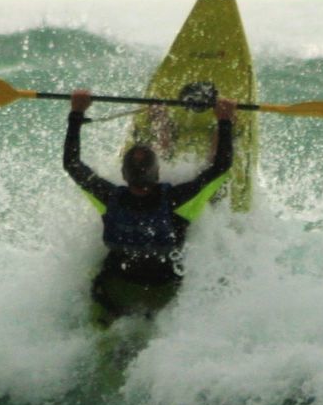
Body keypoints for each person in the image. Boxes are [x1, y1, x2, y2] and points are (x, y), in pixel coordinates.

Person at [64, 88, 236, 325]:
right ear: (159, 174)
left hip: (112, 291)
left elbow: (72, 164)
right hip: (165, 293)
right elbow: (220, 166)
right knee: (208, 182)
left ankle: (160, 120)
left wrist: (76, 113)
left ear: (123, 175)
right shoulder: (178, 200)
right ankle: (180, 124)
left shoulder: (108, 197)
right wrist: (225, 120)